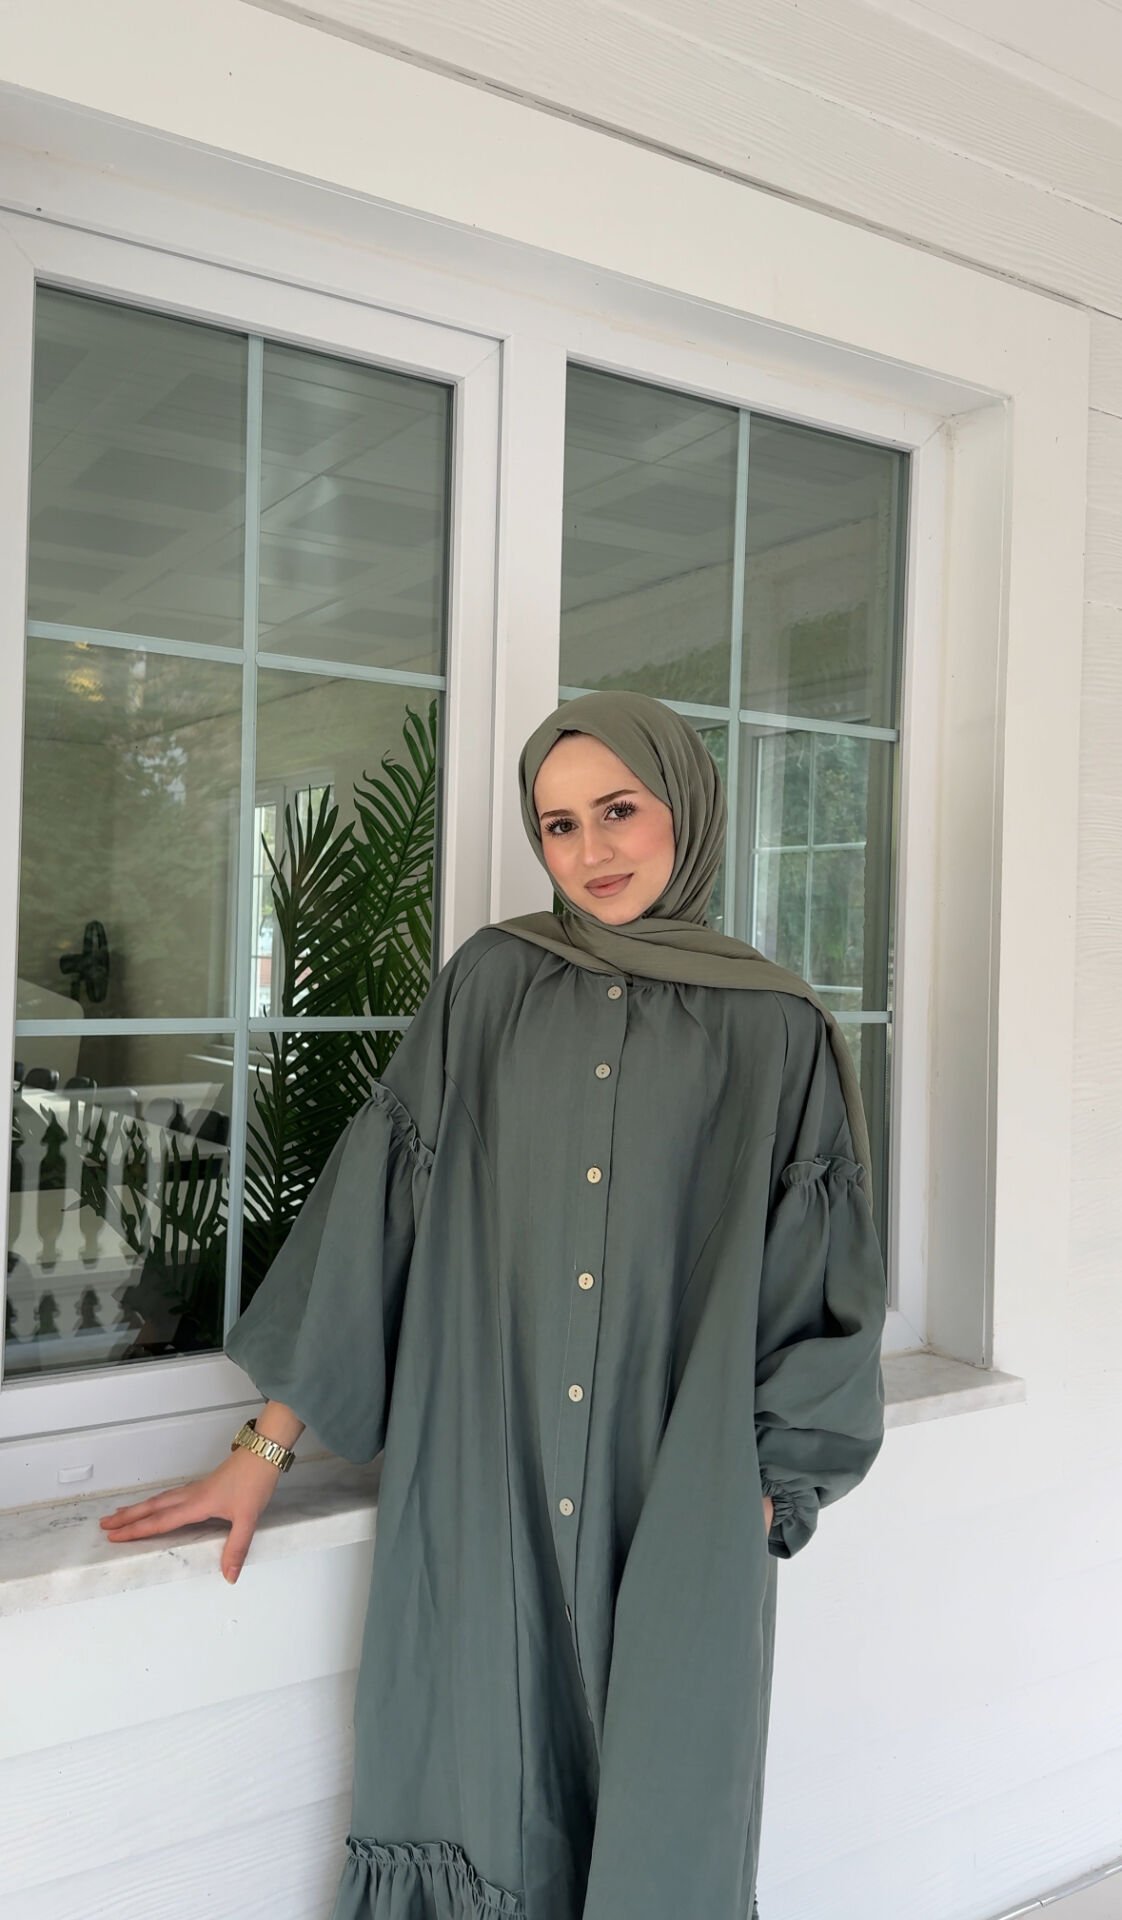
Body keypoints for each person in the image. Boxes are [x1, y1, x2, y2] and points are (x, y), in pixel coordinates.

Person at [100, 689, 887, 1920]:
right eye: (560, 824)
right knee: (477, 1777)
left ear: (686, 808)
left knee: (664, 1802)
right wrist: (264, 1448)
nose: (592, 851)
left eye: (619, 810)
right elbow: (383, 1208)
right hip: (485, 1472)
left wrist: (769, 1496)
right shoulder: (492, 983)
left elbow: (815, 1278)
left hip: (674, 1487)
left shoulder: (775, 1029)